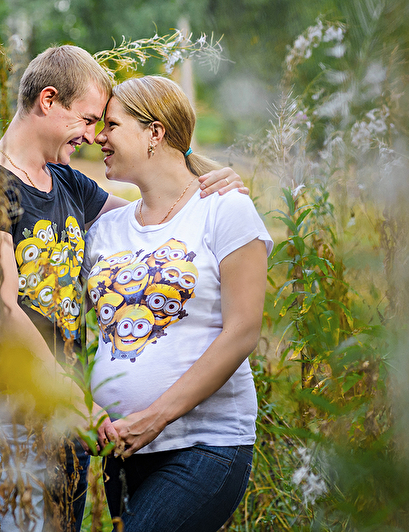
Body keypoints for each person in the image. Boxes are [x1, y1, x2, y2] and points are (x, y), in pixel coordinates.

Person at [0, 45, 245, 532]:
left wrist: (213, 181)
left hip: (69, 422)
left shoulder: (67, 183)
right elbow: (4, 310)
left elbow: (158, 219)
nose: (92, 136)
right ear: (48, 100)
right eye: (87, 119)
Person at [84, 75, 273, 531]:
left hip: (205, 446)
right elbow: (56, 315)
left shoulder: (225, 210)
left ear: (155, 132)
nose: (98, 137)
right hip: (121, 451)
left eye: (112, 125)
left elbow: (243, 332)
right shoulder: (106, 229)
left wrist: (156, 417)